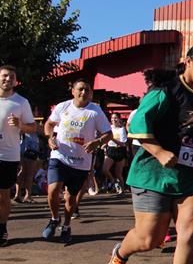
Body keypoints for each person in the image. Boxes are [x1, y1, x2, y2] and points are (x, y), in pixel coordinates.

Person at [104, 44, 193, 264]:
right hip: (154, 173)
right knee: (150, 238)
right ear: (187, 62)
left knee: (190, 230)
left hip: (192, 175)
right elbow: (136, 125)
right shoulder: (167, 91)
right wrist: (158, 150)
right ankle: (120, 253)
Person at [43, 79, 112, 243]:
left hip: (81, 161)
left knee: (70, 198)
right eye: (80, 89)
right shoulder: (63, 107)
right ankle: (54, 219)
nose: (84, 93)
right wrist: (49, 137)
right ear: (73, 91)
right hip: (59, 155)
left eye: (87, 90)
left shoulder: (95, 111)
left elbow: (108, 134)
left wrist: (97, 142)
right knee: (53, 190)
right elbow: (49, 123)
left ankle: (66, 226)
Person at [0, 65, 36, 245]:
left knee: (3, 195)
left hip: (8, 155)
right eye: (4, 76)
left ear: (15, 81)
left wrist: (20, 124)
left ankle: (2, 228)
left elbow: (33, 127)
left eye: (11, 77)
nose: (7, 79)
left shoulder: (21, 102)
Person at [102, 113, 128, 194]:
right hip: (110, 150)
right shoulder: (109, 128)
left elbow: (123, 143)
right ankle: (114, 181)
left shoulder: (122, 129)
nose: (113, 120)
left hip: (120, 151)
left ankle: (122, 189)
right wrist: (104, 144)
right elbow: (106, 138)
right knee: (105, 169)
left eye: (116, 118)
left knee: (118, 173)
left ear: (119, 119)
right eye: (112, 118)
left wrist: (112, 139)